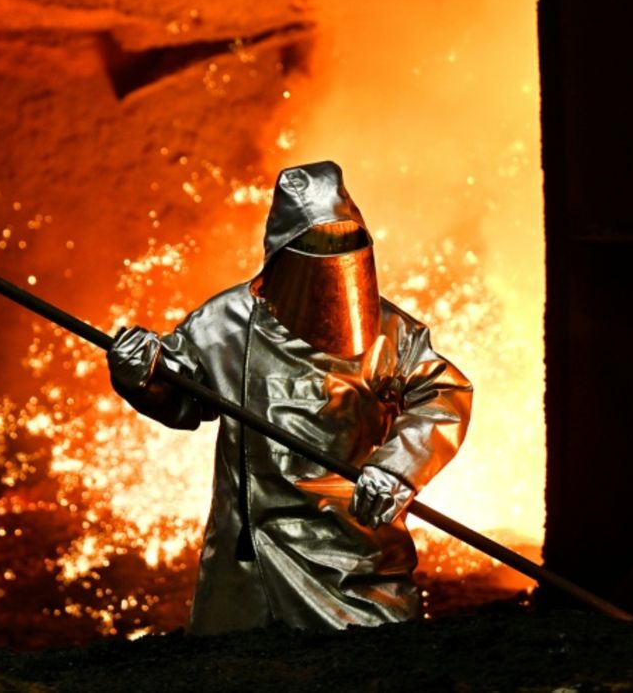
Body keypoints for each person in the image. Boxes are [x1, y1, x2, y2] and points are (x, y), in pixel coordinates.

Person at [107, 161, 472, 634]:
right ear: (284, 252)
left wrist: (397, 469)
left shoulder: (390, 334)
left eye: (346, 241)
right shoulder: (225, 324)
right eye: (322, 243)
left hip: (351, 558)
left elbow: (442, 393)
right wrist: (141, 373)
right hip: (248, 556)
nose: (336, 256)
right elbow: (184, 398)